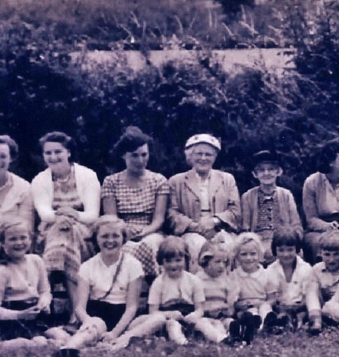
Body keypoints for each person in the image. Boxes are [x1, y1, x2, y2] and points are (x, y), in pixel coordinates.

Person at [52, 216, 144, 357]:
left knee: (157, 319)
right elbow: (79, 307)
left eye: (115, 236)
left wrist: (115, 332)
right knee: (93, 326)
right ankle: (70, 348)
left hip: (124, 316)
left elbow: (132, 307)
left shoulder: (133, 265)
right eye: (104, 236)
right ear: (96, 238)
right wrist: (87, 320)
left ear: (123, 238)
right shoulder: (87, 267)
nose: (110, 241)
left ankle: (117, 341)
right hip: (99, 313)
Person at [32, 132, 101, 313]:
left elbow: (92, 214)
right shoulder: (39, 180)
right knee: (63, 236)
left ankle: (46, 307)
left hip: (84, 233)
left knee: (67, 234)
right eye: (48, 153)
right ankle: (75, 313)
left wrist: (74, 216)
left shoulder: (88, 175)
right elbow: (45, 214)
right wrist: (59, 218)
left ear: (68, 152)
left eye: (58, 152)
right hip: (49, 234)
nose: (53, 157)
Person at [109, 236, 204, 349]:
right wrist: (169, 314)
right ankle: (122, 340)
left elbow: (200, 309)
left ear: (186, 259)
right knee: (167, 322)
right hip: (162, 320)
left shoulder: (194, 281)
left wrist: (195, 315)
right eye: (168, 261)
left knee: (201, 323)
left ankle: (218, 337)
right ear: (161, 261)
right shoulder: (159, 283)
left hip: (185, 320)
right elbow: (152, 312)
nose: (173, 265)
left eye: (178, 260)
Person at [101, 127, 169, 278]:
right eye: (134, 156)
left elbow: (159, 220)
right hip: (121, 232)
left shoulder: (159, 180)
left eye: (144, 155)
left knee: (148, 246)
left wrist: (144, 232)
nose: (140, 160)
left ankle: (156, 291)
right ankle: (121, 296)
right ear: (123, 156)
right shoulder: (111, 182)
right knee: (126, 249)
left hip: (152, 231)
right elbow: (111, 218)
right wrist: (125, 230)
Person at [167, 134, 241, 270]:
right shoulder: (176, 181)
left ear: (214, 157)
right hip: (191, 231)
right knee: (197, 247)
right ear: (190, 156)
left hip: (220, 229)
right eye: (199, 154)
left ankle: (226, 288)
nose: (203, 158)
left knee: (228, 246)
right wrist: (196, 227)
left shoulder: (227, 179)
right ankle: (198, 289)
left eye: (208, 154)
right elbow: (172, 213)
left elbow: (235, 211)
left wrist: (214, 221)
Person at [0, 221, 55, 348]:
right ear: (3, 243)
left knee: (60, 336)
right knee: (37, 343)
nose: (19, 243)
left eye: (23, 238)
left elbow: (45, 291)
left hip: (36, 316)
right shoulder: (1, 272)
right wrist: (20, 314)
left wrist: (44, 302)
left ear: (30, 240)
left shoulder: (36, 260)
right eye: (12, 239)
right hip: (13, 321)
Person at [0, 136, 35, 291]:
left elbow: (26, 224)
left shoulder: (24, 187)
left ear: (11, 158)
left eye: (3, 156)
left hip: (16, 239)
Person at [241, 150, 302, 264]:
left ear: (278, 171)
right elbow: (246, 229)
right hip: (258, 240)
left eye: (271, 169)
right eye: (261, 170)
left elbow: (296, 226)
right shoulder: (248, 197)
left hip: (283, 239)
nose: (266, 173)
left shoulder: (286, 195)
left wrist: (289, 240)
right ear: (255, 174)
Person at [227, 233, 281, 344]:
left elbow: (272, 298)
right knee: (250, 313)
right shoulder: (234, 276)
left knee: (265, 309)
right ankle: (255, 325)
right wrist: (238, 305)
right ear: (237, 256)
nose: (249, 258)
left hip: (262, 303)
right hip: (246, 307)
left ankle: (268, 323)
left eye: (253, 254)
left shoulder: (266, 274)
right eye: (244, 254)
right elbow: (232, 300)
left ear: (260, 255)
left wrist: (266, 303)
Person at [306, 230, 339, 335]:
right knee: (311, 287)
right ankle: (316, 320)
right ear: (320, 253)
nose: (331, 259)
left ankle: (328, 318)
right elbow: (314, 295)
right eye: (327, 255)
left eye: (336, 254)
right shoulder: (317, 269)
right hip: (321, 310)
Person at [264, 226, 312, 332]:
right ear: (275, 250)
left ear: (297, 249)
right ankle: (280, 323)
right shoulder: (270, 270)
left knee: (306, 311)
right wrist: (282, 308)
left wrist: (296, 307)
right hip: (280, 307)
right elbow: (271, 298)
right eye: (281, 250)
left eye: (290, 250)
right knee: (269, 309)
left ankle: (300, 323)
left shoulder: (305, 268)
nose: (286, 254)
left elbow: (307, 297)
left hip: (300, 306)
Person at [194, 244, 239, 345]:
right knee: (204, 324)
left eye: (224, 262)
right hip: (204, 317)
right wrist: (207, 310)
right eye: (217, 261)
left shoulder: (226, 281)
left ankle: (235, 336)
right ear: (205, 261)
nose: (222, 266)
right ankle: (221, 338)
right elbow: (194, 307)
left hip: (221, 317)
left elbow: (231, 309)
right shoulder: (197, 280)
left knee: (229, 322)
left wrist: (226, 309)